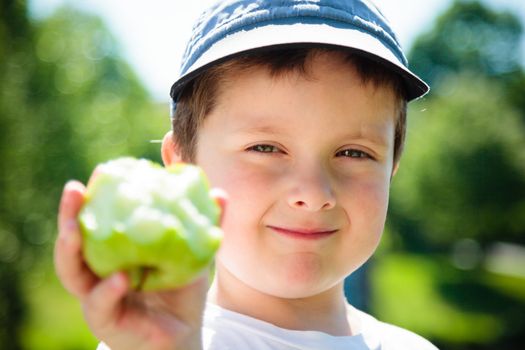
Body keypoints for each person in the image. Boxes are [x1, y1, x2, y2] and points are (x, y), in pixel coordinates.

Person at [54, 0, 438, 349]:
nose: (313, 192)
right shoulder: (157, 339)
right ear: (184, 168)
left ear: (391, 170)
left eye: (354, 153)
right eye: (266, 148)